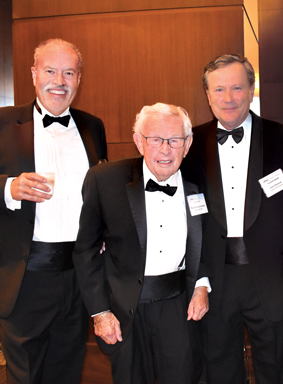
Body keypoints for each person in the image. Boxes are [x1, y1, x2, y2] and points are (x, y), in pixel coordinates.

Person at [0, 38, 107, 383]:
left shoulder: (92, 127)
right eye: (50, 70)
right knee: (25, 374)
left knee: (68, 369)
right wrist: (9, 188)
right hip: (24, 275)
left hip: (78, 274)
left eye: (69, 72)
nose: (59, 80)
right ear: (34, 74)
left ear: (79, 79)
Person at [181, 54, 283, 384]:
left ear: (252, 90)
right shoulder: (189, 144)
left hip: (271, 277)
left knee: (275, 368)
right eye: (219, 90)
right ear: (207, 94)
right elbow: (182, 213)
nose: (228, 98)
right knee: (221, 368)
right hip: (215, 278)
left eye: (237, 88)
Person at [73, 103, 208, 383]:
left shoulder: (201, 181)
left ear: (188, 143)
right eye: (156, 139)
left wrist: (202, 285)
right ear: (139, 141)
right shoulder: (105, 180)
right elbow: (86, 251)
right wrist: (100, 312)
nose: (165, 150)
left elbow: (208, 242)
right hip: (123, 310)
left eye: (175, 140)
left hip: (178, 305)